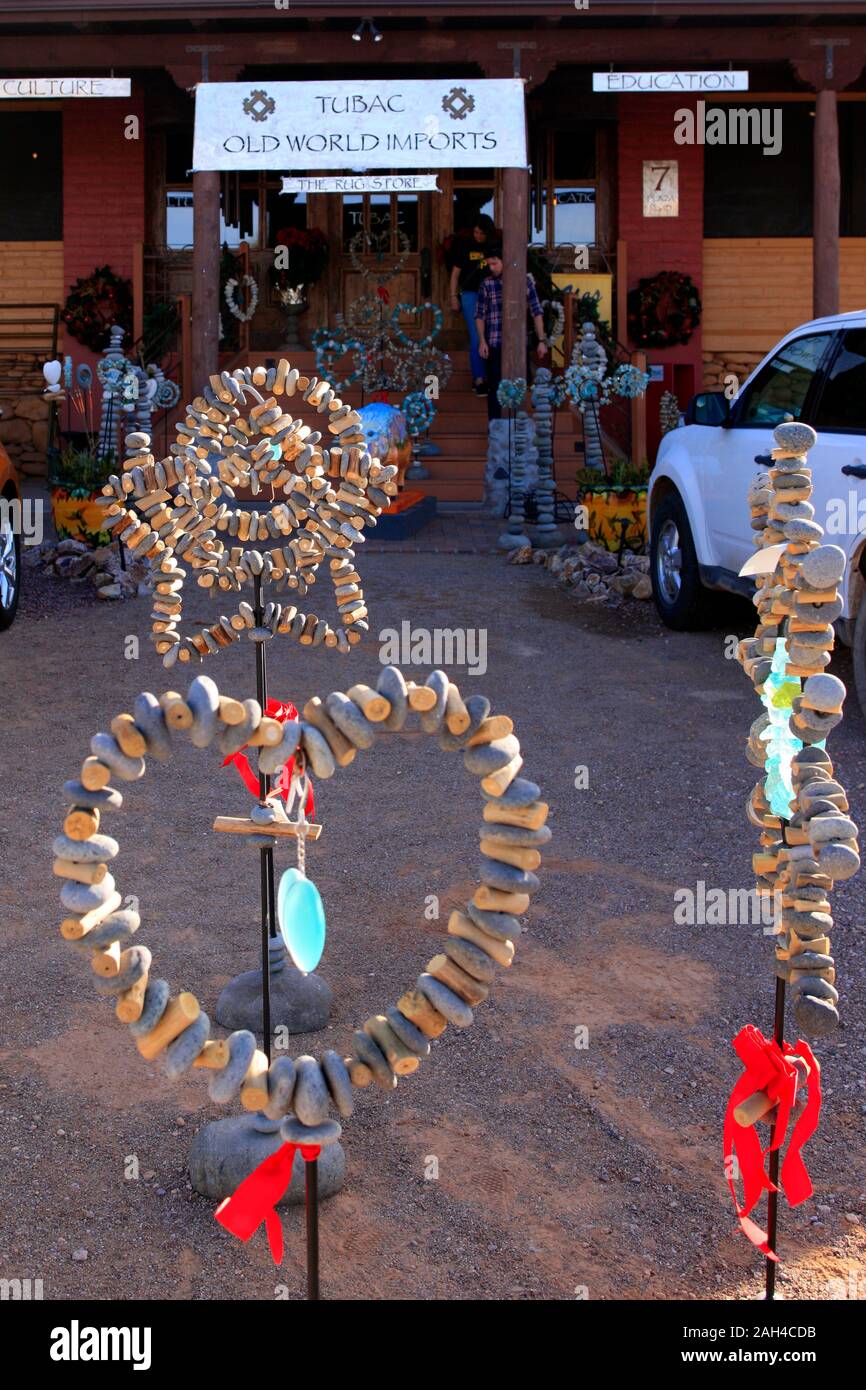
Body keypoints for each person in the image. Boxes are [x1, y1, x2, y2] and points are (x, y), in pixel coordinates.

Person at [475, 248, 548, 420]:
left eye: (495, 263)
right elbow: (479, 314)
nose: (491, 267)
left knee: (519, 385)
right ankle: (495, 428)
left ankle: (518, 428)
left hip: (517, 344)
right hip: (494, 342)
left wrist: (541, 340)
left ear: (504, 261)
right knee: (494, 387)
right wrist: (482, 341)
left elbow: (536, 311)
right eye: (489, 263)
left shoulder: (523, 282)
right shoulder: (486, 283)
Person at [449, 214, 497, 395]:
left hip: (491, 294)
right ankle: (479, 378)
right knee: (477, 336)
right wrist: (453, 296)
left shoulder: (493, 247)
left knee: (492, 335)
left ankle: (490, 375)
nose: (478, 236)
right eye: (476, 232)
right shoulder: (465, 246)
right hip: (470, 295)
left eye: (481, 233)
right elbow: (455, 274)